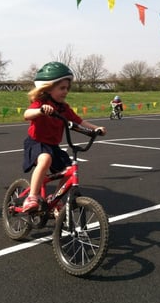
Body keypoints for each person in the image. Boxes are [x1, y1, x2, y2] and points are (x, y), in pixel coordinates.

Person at [22, 61, 107, 212]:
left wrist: (95, 129)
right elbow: (27, 114)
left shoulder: (64, 108)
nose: (65, 91)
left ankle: (54, 198)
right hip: (37, 143)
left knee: (70, 170)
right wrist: (41, 110)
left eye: (67, 88)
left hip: (53, 146)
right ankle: (32, 197)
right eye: (61, 88)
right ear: (48, 88)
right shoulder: (42, 103)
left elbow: (78, 121)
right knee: (45, 159)